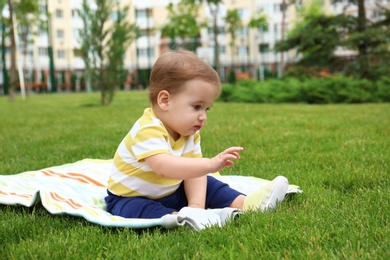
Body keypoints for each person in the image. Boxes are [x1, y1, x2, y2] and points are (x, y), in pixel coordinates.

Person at [105, 50, 289, 219]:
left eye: (207, 109)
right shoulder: (147, 129)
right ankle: (180, 218)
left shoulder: (189, 133)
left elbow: (193, 173)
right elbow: (163, 167)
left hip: (172, 192)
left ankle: (248, 204)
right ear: (165, 101)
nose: (203, 117)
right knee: (140, 209)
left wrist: (196, 205)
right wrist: (209, 164)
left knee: (210, 185)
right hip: (130, 197)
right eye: (196, 107)